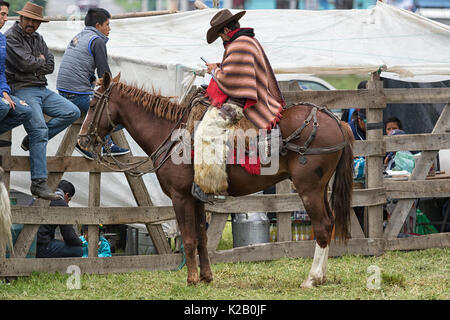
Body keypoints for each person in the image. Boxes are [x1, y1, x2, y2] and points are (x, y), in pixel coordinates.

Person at [192, 9, 284, 202]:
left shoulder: (239, 44)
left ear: (226, 29)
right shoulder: (245, 41)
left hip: (239, 105)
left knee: (205, 132)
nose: (221, 38)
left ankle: (211, 186)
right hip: (242, 99)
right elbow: (236, 70)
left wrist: (215, 71)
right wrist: (218, 67)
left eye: (220, 34)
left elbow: (230, 81)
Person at [5, 2, 81, 200]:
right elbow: (25, 63)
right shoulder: (10, 37)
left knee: (72, 112)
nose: (31, 23)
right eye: (28, 19)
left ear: (39, 23)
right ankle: (38, 183)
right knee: (39, 130)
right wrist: (37, 62)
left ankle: (32, 140)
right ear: (20, 18)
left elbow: (50, 65)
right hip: (22, 89)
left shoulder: (39, 38)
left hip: (41, 88)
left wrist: (34, 62)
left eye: (35, 21)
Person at [56, 8, 129, 160]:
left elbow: (82, 67)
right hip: (77, 95)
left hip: (64, 92)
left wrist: (93, 80)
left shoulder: (79, 36)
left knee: (104, 107)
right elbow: (105, 76)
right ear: (98, 26)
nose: (109, 28)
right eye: (107, 25)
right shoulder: (97, 41)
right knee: (123, 114)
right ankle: (87, 142)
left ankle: (104, 143)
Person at [0, 1, 32, 145]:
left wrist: (4, 91)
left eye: (6, 15)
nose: (6, 19)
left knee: (25, 111)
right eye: (3, 14)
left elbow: (1, 71)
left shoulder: (2, 39)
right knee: (4, 105)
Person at [36, 180, 83, 258]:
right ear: (66, 195)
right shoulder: (61, 203)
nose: (68, 203)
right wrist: (81, 242)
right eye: (69, 200)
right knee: (78, 250)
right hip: (43, 246)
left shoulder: (40, 197)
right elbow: (69, 237)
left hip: (31, 244)